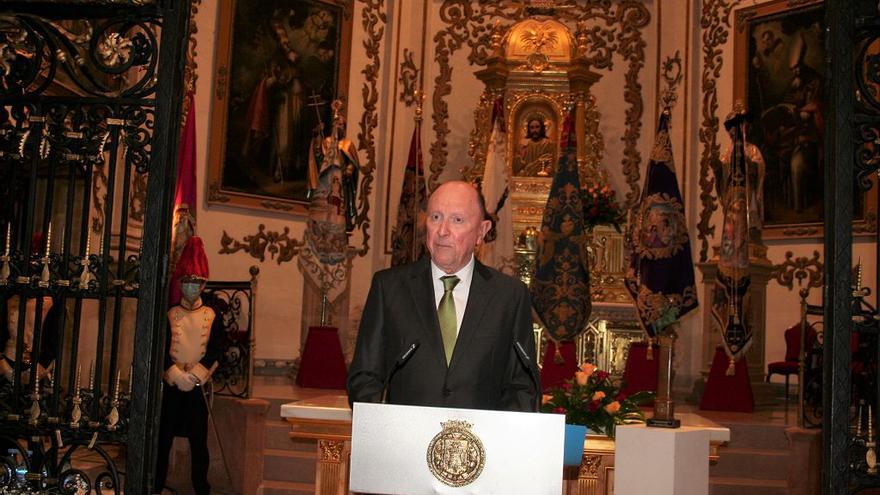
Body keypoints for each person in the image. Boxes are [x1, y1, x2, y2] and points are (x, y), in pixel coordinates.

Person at [347, 181, 539, 411]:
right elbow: (364, 377)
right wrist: (387, 429)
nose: (442, 231)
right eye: (435, 217)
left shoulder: (509, 296)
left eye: (457, 220)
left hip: (480, 443)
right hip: (404, 442)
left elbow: (522, 385)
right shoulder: (389, 287)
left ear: (481, 231)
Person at [154, 236, 223, 495]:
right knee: (163, 440)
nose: (191, 286)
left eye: (196, 281)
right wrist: (172, 373)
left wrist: (196, 375)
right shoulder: (170, 313)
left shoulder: (213, 315)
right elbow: (160, 348)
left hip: (196, 386)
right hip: (172, 385)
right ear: (180, 283)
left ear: (204, 283)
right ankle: (156, 485)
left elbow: (217, 349)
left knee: (199, 443)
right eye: (187, 281)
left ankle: (201, 489)